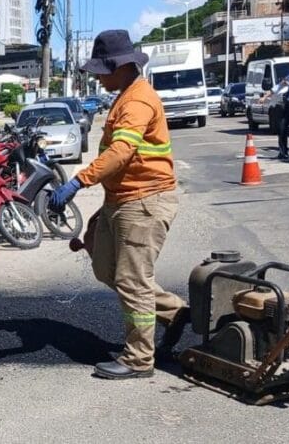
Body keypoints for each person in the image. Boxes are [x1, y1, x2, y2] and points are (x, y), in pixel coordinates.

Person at [49, 29, 188, 380]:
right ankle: (176, 312)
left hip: (144, 201)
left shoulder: (138, 101)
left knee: (132, 281)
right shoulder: (125, 94)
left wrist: (79, 181)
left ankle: (140, 359)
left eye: (100, 69)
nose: (96, 76)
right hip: (122, 199)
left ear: (120, 66)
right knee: (105, 268)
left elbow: (122, 151)